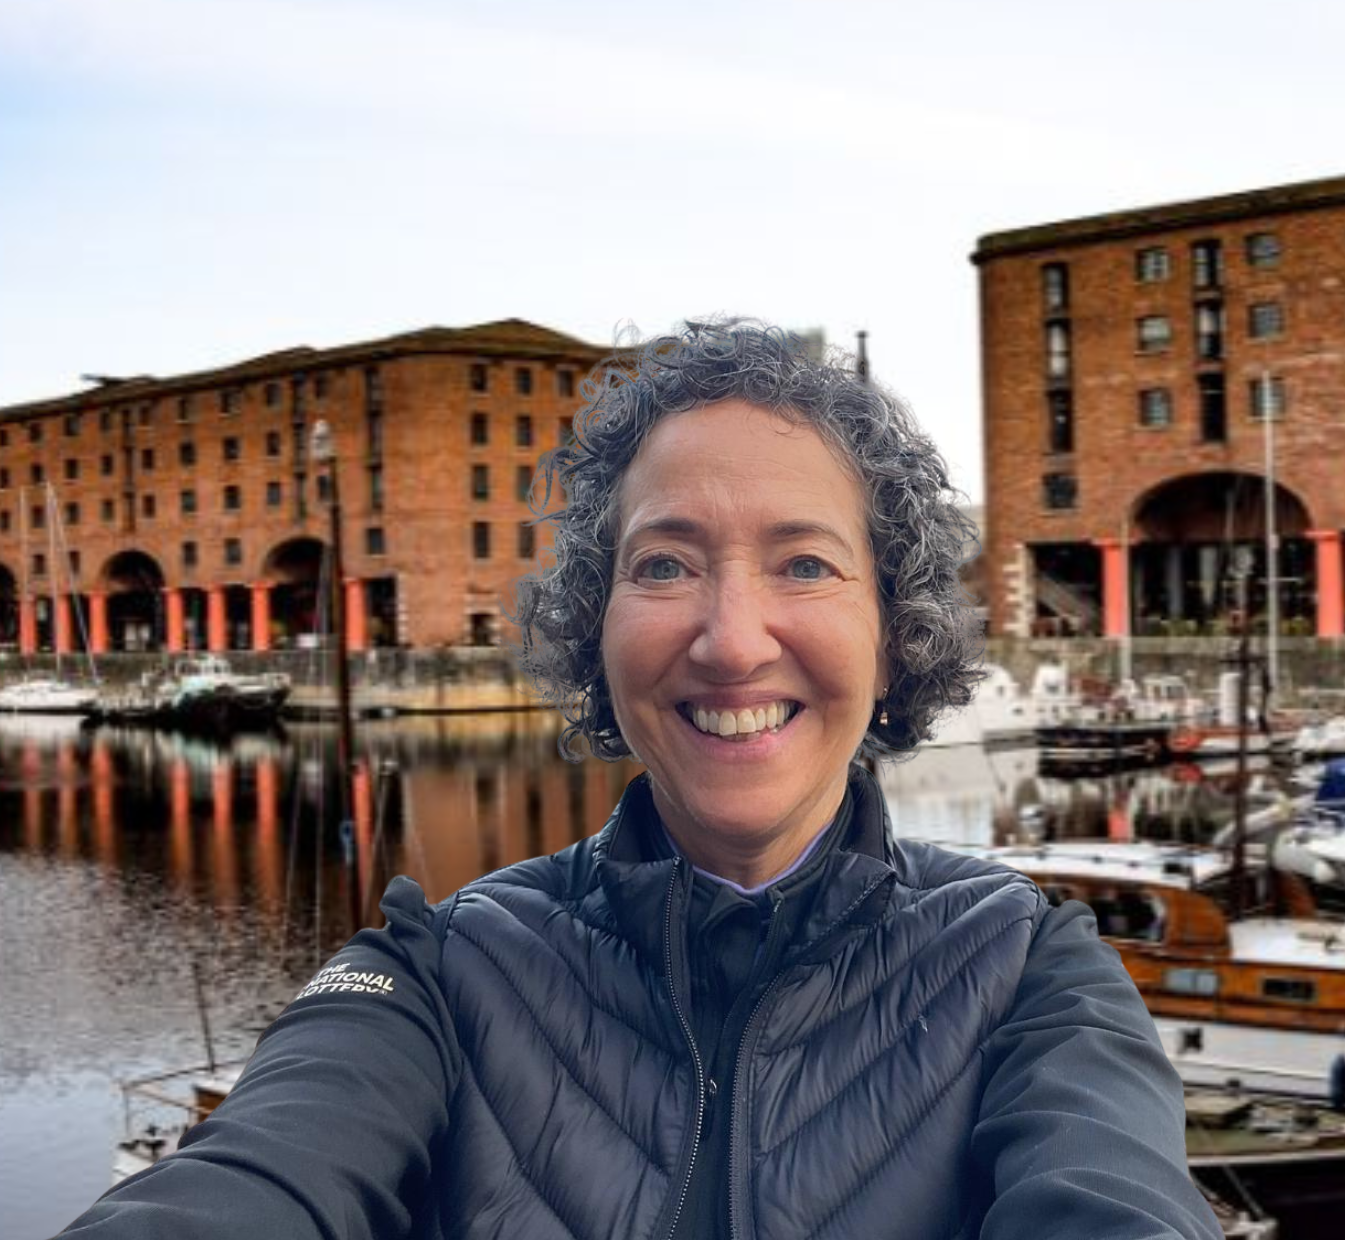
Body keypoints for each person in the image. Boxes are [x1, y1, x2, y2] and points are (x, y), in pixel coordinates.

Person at [61, 318, 1221, 1240]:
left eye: (804, 563)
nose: (728, 638)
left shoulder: (1028, 971)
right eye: (663, 563)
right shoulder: (432, 973)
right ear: (594, 624)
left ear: (892, 629)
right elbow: (254, 1178)